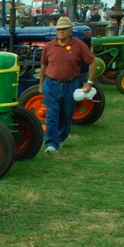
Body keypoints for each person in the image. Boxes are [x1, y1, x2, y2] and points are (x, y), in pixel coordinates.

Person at [38, 17, 96, 154]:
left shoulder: (79, 45)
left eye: (64, 29)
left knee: (66, 114)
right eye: (59, 29)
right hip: (51, 84)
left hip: (70, 84)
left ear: (70, 30)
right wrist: (41, 84)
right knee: (52, 115)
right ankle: (51, 144)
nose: (61, 32)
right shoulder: (49, 46)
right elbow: (44, 65)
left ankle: (61, 137)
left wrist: (89, 82)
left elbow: (92, 62)